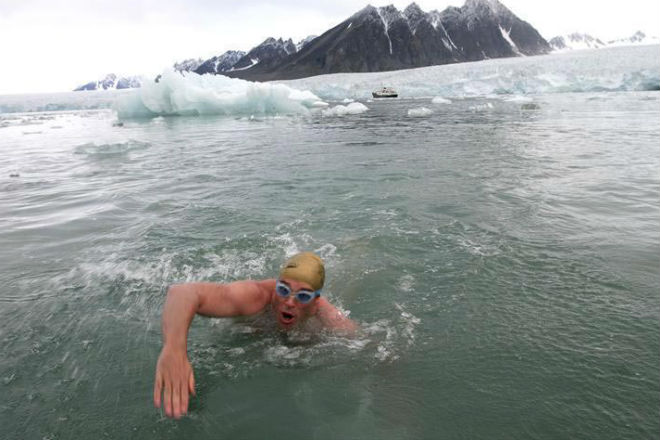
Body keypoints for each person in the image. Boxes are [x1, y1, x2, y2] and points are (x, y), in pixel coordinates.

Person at [153, 252, 357, 419]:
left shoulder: (331, 318)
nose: (289, 302)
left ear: (316, 301)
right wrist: (174, 349)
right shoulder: (255, 296)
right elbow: (181, 293)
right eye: (283, 289)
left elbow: (366, 347)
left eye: (303, 296)